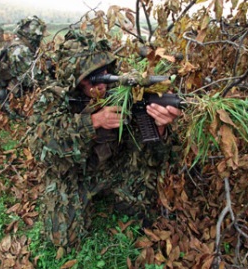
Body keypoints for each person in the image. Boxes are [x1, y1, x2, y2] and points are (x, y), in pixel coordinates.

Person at [25, 29, 182, 251]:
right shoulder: (55, 97)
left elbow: (157, 155)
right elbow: (41, 145)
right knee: (63, 239)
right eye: (92, 77)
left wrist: (161, 127)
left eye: (105, 73)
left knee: (143, 210)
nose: (101, 84)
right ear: (75, 78)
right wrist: (94, 121)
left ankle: (112, 193)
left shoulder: (121, 91)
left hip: (113, 168)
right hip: (74, 175)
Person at [0, 15, 49, 117]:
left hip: (14, 86)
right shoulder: (20, 51)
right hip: (12, 93)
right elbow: (34, 79)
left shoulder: (21, 44)